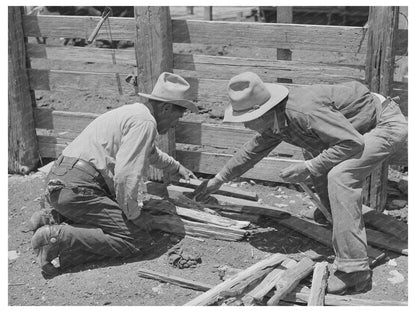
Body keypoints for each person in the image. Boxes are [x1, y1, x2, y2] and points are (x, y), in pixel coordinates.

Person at [193, 72, 407, 294]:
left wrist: (310, 168)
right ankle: (342, 219)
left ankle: (354, 272)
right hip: (355, 129)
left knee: (340, 176)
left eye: (247, 119)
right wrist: (219, 180)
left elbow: (351, 143)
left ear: (264, 112)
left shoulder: (303, 112)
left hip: (384, 123)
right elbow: (252, 150)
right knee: (314, 154)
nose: (246, 125)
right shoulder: (276, 120)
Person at [30, 72, 199, 278]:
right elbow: (125, 176)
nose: (176, 124)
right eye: (178, 117)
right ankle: (57, 237)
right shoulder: (146, 123)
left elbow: (151, 153)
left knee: (113, 211)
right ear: (165, 108)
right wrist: (134, 215)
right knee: (137, 240)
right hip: (80, 188)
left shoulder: (133, 113)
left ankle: (53, 216)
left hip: (62, 182)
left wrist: (177, 167)